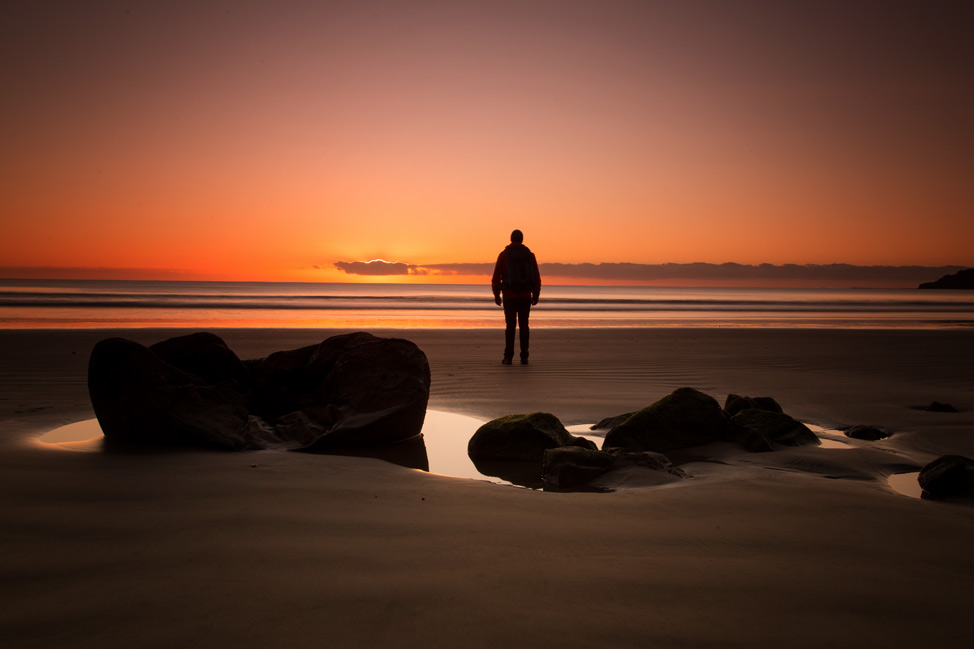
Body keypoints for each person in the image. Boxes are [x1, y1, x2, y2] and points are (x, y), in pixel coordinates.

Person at [491, 229, 541, 365]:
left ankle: (508, 357)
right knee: (524, 326)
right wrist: (536, 294)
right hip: (525, 295)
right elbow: (536, 277)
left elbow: (496, 278)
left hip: (510, 296)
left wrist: (497, 295)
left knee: (510, 326)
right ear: (522, 239)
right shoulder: (530, 256)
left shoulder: (504, 255)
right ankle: (524, 356)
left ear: (511, 239)